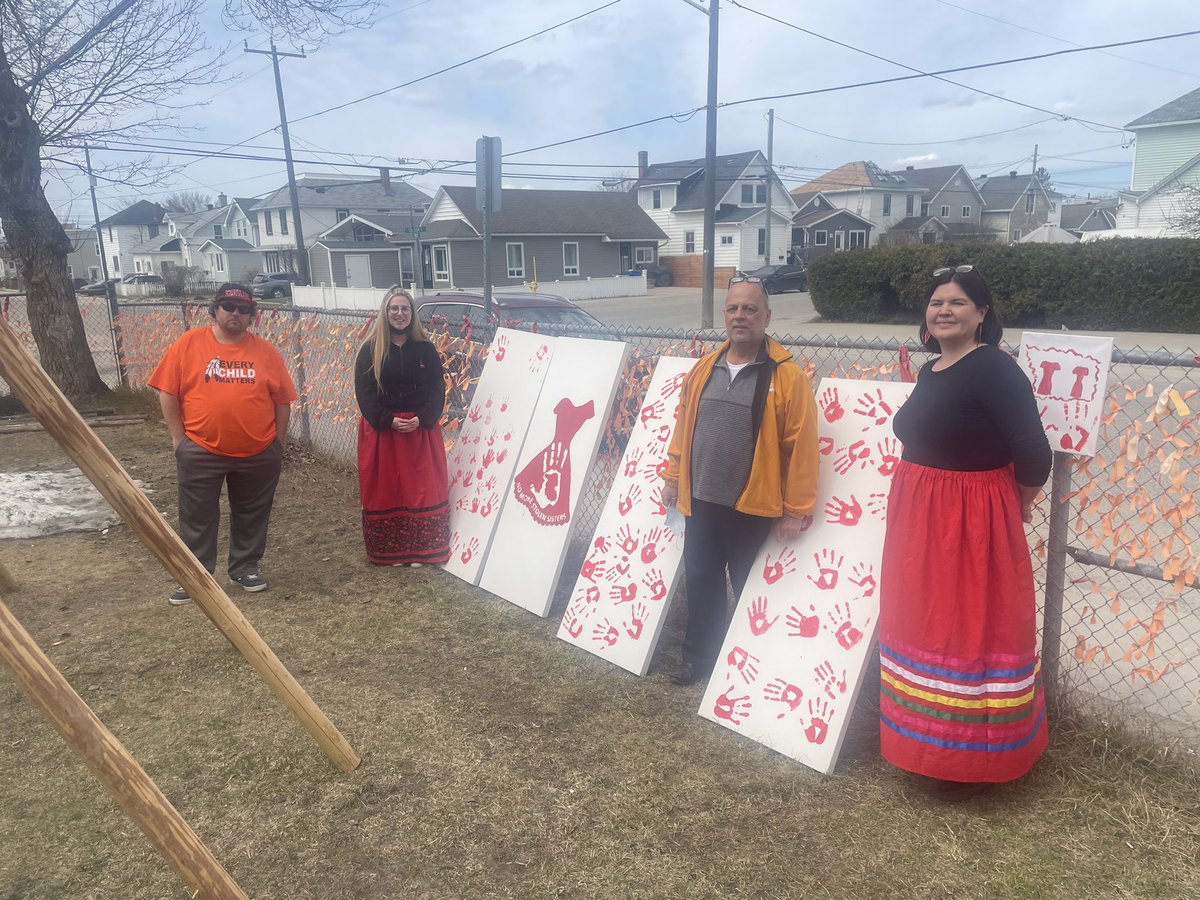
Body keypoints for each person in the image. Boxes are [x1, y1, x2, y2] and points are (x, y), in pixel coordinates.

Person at [879, 264, 1052, 797]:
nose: (944, 311)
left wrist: (1011, 504)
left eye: (957, 302)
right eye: (937, 302)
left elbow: (1034, 453)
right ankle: (926, 746)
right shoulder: (932, 370)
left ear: (982, 314)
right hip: (921, 520)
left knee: (967, 631)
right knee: (926, 626)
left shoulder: (994, 370)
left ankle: (973, 760)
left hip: (969, 524)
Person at [661, 278, 820, 686]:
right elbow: (683, 427)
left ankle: (754, 668)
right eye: (733, 309)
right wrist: (673, 477)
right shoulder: (703, 369)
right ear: (724, 315)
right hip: (700, 501)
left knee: (754, 590)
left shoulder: (788, 377)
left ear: (767, 316)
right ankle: (700, 660)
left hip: (753, 507)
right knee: (702, 583)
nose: (740, 316)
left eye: (750, 309)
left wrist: (796, 510)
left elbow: (801, 448)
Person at [149, 282, 297, 605]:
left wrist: (277, 443)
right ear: (215, 309)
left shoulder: (266, 352)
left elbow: (283, 400)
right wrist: (178, 439)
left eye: (244, 309)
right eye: (229, 306)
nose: (236, 313)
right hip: (201, 448)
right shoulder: (189, 344)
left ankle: (245, 567)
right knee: (197, 516)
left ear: (251, 315)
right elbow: (167, 391)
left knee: (252, 513)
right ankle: (195, 577)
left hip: (258, 451)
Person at [354, 287, 450, 566]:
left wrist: (423, 418)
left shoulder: (426, 349)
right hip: (384, 431)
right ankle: (392, 553)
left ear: (412, 314)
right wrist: (387, 420)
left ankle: (422, 552)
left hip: (420, 431)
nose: (399, 313)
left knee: (423, 490)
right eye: (394, 308)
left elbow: (437, 389)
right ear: (385, 313)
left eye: (405, 309)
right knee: (387, 490)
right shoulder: (370, 350)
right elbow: (364, 392)